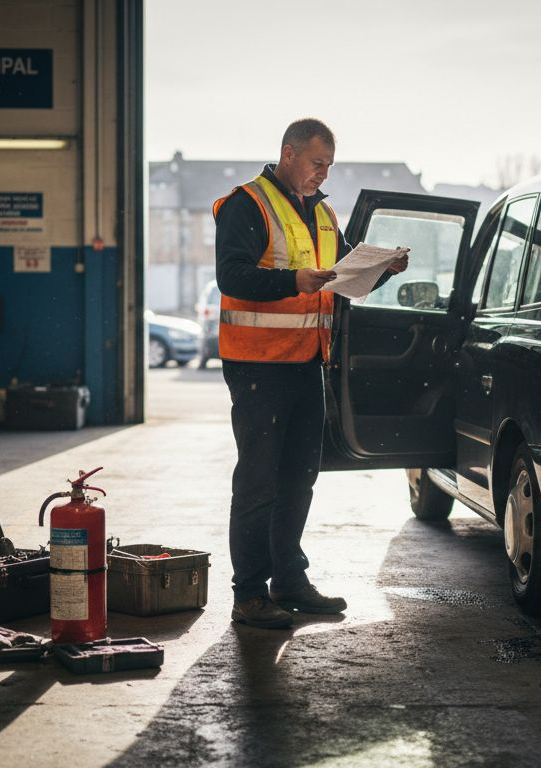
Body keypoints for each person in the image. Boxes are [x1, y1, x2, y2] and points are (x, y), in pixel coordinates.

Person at [212, 118, 408, 629]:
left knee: (299, 478)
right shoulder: (247, 203)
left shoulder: (323, 213)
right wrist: (293, 280)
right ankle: (249, 595)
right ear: (288, 153)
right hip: (257, 365)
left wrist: (380, 270)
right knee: (258, 481)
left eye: (329, 166)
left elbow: (342, 278)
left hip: (306, 362)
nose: (324, 173)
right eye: (318, 163)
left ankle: (290, 583)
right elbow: (230, 276)